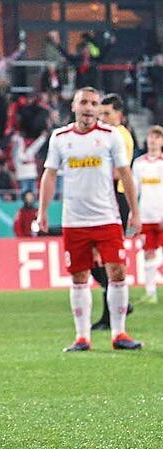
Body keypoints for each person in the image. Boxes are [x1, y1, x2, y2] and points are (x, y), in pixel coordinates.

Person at [36, 87, 142, 353]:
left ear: (98, 109)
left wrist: (134, 212)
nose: (89, 107)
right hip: (74, 220)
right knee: (79, 276)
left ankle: (119, 333)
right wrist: (42, 211)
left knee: (117, 272)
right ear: (74, 106)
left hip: (107, 216)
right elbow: (49, 175)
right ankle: (82, 337)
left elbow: (125, 174)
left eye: (94, 103)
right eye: (84, 102)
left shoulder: (111, 137)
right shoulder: (60, 138)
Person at [91, 93, 134, 330]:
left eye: (107, 114)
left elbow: (118, 172)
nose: (104, 119)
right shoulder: (108, 135)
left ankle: (111, 315)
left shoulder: (119, 136)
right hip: (105, 198)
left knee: (106, 260)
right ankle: (119, 304)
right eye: (101, 114)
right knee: (93, 259)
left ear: (120, 115)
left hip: (115, 198)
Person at [132, 125, 163, 304]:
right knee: (148, 253)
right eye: (151, 136)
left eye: (157, 137)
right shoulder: (139, 163)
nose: (153, 139)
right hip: (146, 215)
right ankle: (151, 292)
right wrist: (133, 213)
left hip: (161, 214)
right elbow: (135, 190)